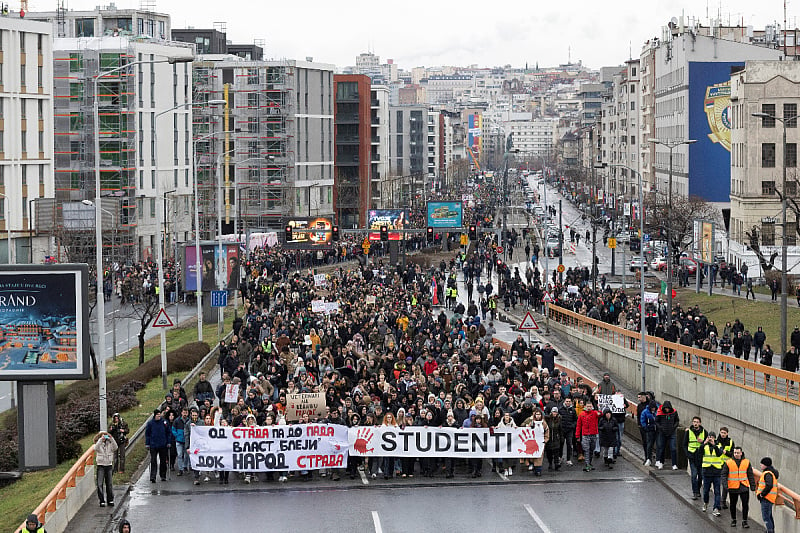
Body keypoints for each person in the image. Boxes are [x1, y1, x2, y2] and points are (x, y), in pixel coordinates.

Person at [722, 446, 756, 529]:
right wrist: (725, 485)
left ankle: (745, 521)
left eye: (738, 452)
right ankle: (733, 520)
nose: (736, 454)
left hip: (744, 486)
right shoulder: (728, 462)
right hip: (733, 487)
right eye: (735, 453)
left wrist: (752, 485)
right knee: (733, 505)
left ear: (741, 453)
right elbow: (724, 474)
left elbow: (750, 474)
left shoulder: (746, 462)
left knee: (745, 505)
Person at [701, 431, 725, 516]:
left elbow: (719, 454)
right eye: (709, 437)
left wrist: (714, 445)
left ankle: (716, 508)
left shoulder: (719, 446)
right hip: (707, 472)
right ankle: (706, 502)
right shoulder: (705, 446)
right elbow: (699, 452)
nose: (710, 439)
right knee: (706, 490)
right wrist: (704, 443)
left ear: (715, 438)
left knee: (717, 491)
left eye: (712, 437)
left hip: (716, 472)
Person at [145, 409, 170, 482]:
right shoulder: (150, 423)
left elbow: (168, 433)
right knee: (153, 461)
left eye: (160, 415)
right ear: (155, 415)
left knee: (163, 461)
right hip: (153, 445)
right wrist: (147, 443)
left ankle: (163, 475)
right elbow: (147, 434)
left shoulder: (164, 422)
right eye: (157, 415)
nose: (159, 416)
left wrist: (168, 442)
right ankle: (153, 476)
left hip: (163, 444)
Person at [93, 430, 118, 507]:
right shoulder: (99, 443)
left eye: (105, 435)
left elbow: (115, 447)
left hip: (109, 465)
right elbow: (96, 448)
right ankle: (101, 500)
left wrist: (111, 438)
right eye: (102, 435)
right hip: (101, 465)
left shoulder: (110, 443)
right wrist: (101, 440)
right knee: (100, 484)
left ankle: (110, 500)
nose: (104, 437)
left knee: (109, 484)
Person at [685, 416, 707, 499]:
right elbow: (684, 444)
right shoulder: (688, 432)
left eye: (697, 422)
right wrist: (687, 454)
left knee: (701, 475)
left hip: (701, 457)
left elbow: (708, 444)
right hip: (692, 456)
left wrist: (703, 442)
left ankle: (697, 490)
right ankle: (695, 492)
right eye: (694, 422)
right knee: (694, 475)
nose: (695, 423)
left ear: (700, 423)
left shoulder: (704, 432)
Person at [757, 457, 779, 533]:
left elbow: (769, 485)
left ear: (765, 465)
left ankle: (770, 531)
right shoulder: (771, 473)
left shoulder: (767, 474)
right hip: (770, 498)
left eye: (762, 464)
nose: (760, 465)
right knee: (769, 517)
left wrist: (762, 495)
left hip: (766, 498)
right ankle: (770, 531)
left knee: (766, 517)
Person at [575, 401, 600, 472]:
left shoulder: (594, 413)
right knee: (587, 450)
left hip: (593, 434)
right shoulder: (581, 415)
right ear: (585, 406)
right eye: (587, 406)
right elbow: (578, 426)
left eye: (590, 406)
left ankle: (590, 463)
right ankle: (587, 464)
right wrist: (577, 435)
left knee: (592, 449)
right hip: (585, 435)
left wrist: (599, 409)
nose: (589, 408)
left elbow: (600, 414)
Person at [655, 401, 679, 470]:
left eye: (668, 408)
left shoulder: (674, 412)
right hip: (662, 433)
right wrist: (660, 428)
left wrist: (674, 427)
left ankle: (674, 464)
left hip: (671, 433)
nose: (667, 410)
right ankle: (661, 462)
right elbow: (656, 421)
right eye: (666, 408)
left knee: (673, 448)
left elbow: (677, 421)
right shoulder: (660, 413)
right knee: (661, 448)